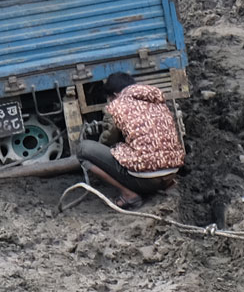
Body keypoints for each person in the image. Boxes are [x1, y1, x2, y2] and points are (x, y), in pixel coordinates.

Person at [75, 72, 186, 210]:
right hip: (172, 172)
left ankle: (128, 195)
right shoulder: (158, 101)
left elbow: (108, 140)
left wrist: (103, 150)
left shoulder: (116, 106)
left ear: (114, 94)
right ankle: (169, 185)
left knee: (83, 149)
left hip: (144, 179)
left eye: (109, 98)